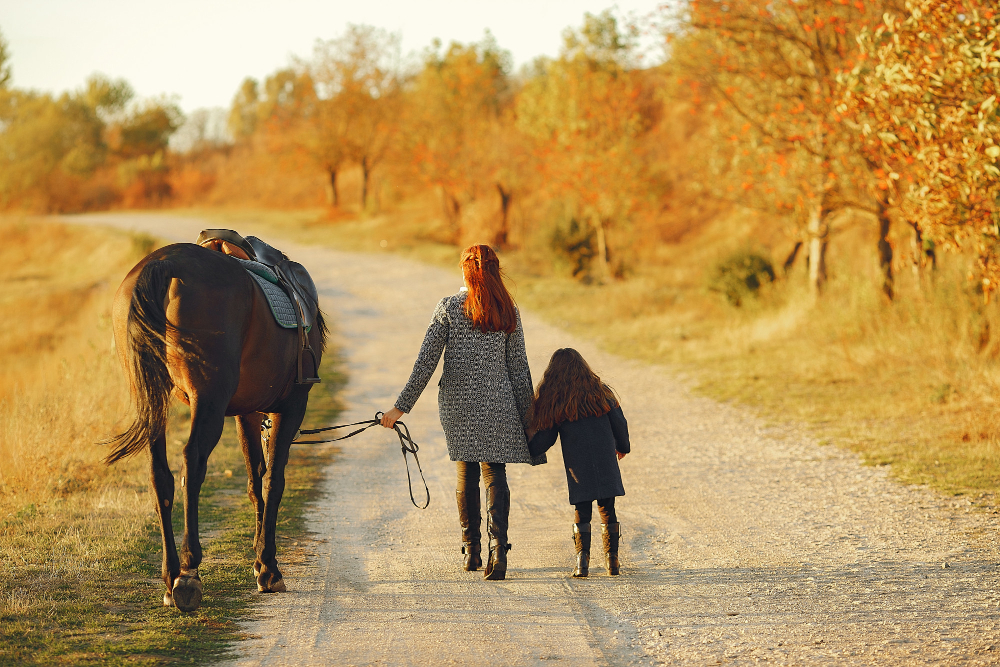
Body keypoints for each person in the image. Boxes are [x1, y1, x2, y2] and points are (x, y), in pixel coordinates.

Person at [381, 244, 537, 581]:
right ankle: (499, 550)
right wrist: (530, 417)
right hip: (499, 401)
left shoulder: (449, 307)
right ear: (495, 270)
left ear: (465, 270)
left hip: (458, 403)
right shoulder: (508, 309)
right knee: (494, 472)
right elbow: (519, 368)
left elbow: (426, 361)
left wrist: (400, 407)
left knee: (466, 470)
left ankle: (471, 551)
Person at [527, 348, 629, 577]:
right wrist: (623, 447)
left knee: (582, 511)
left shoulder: (558, 402)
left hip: (578, 467)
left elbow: (546, 438)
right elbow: (619, 424)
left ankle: (581, 563)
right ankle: (612, 562)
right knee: (607, 508)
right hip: (605, 461)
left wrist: (528, 447)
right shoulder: (602, 393)